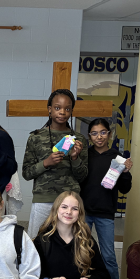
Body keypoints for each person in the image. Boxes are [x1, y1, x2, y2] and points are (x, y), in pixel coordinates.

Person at [23, 89, 88, 239]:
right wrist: (46, 163)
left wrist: (75, 158)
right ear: (49, 109)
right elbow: (26, 173)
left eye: (67, 109)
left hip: (70, 202)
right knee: (36, 243)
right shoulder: (36, 137)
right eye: (57, 108)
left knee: (69, 243)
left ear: (71, 111)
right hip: (43, 199)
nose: (62, 112)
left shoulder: (79, 139)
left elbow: (83, 176)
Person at [80, 118, 132, 279]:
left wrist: (125, 173)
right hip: (84, 212)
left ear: (109, 134)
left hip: (106, 213)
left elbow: (125, 189)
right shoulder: (85, 155)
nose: (99, 137)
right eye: (94, 133)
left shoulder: (117, 157)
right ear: (89, 136)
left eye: (103, 132)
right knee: (81, 252)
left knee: (108, 256)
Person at [33, 191, 110, 279]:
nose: (69, 212)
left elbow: (103, 274)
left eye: (75, 208)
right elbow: (34, 276)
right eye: (64, 207)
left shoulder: (87, 240)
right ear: (56, 209)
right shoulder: (42, 241)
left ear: (79, 213)